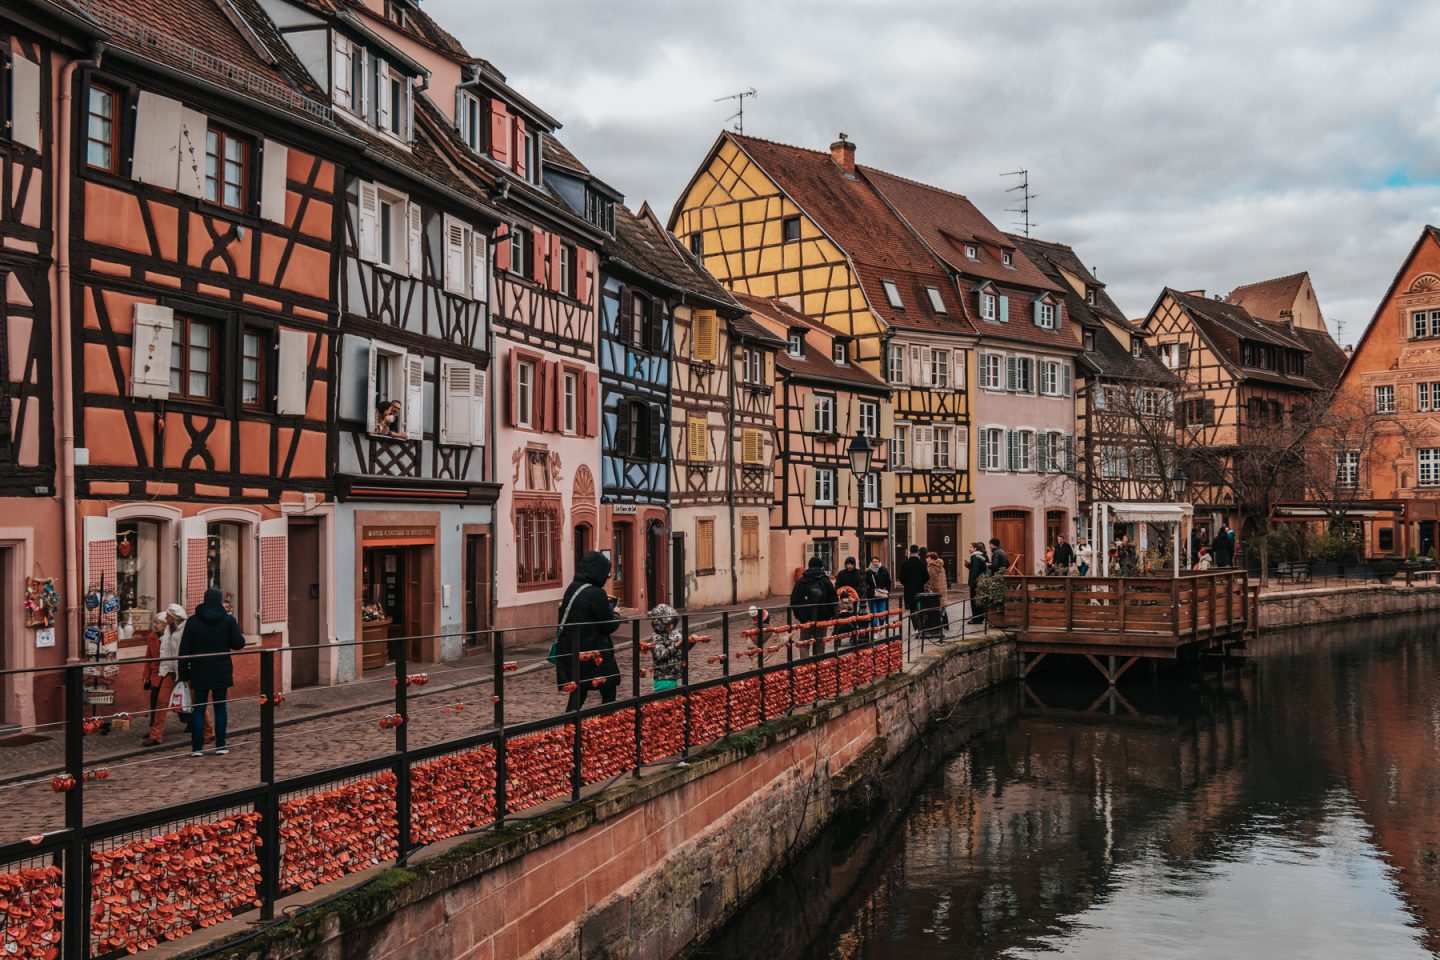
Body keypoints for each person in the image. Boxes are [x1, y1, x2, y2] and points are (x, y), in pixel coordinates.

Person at [177, 589, 245, 757]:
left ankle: (197, 748)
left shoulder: (192, 622)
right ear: (219, 601)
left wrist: (183, 674)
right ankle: (220, 745)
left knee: (199, 709)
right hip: (220, 670)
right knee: (220, 708)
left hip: (199, 670)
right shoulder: (228, 620)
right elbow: (239, 644)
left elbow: (184, 649)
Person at [555, 551, 622, 711]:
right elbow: (607, 625)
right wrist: (616, 614)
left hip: (571, 650)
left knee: (579, 690)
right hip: (593, 653)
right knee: (609, 687)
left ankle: (570, 727)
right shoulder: (596, 593)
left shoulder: (573, 588)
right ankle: (605, 725)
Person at [790, 555, 838, 653]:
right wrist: (829, 616)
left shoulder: (801, 581)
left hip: (806, 619)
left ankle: (805, 666)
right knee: (820, 644)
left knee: (804, 644)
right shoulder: (825, 581)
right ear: (821, 566)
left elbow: (794, 600)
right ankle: (818, 666)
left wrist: (801, 617)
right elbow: (834, 599)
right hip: (822, 619)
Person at [646, 604, 683, 692]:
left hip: (673, 676)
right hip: (663, 678)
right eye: (669, 624)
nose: (671, 626)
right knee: (663, 701)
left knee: (673, 701)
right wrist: (675, 646)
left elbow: (681, 650)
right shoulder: (656, 638)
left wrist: (690, 642)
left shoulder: (672, 634)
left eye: (672, 624)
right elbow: (660, 655)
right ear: (660, 624)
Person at [863, 557, 892, 632]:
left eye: (877, 561)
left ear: (879, 562)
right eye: (873, 561)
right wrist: (867, 592)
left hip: (882, 595)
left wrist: (888, 592)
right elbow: (865, 583)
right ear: (871, 562)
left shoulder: (884, 570)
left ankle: (882, 625)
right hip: (872, 595)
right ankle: (875, 630)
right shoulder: (868, 572)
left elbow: (888, 582)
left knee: (882, 613)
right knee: (874, 613)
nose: (875, 563)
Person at [898, 545, 929, 614]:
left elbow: (901, 578)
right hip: (919, 589)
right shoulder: (921, 564)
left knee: (912, 609)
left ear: (910, 552)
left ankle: (915, 624)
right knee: (920, 608)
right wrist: (921, 583)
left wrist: (906, 584)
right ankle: (920, 623)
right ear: (918, 552)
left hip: (909, 590)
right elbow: (926, 577)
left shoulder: (904, 564)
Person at [966, 542, 989, 623]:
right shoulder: (980, 555)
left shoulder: (974, 557)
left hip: (975, 582)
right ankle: (980, 617)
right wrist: (968, 565)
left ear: (975, 548)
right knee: (979, 600)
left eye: (970, 547)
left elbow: (974, 571)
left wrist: (971, 583)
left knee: (974, 600)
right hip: (980, 580)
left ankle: (976, 619)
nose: (969, 548)